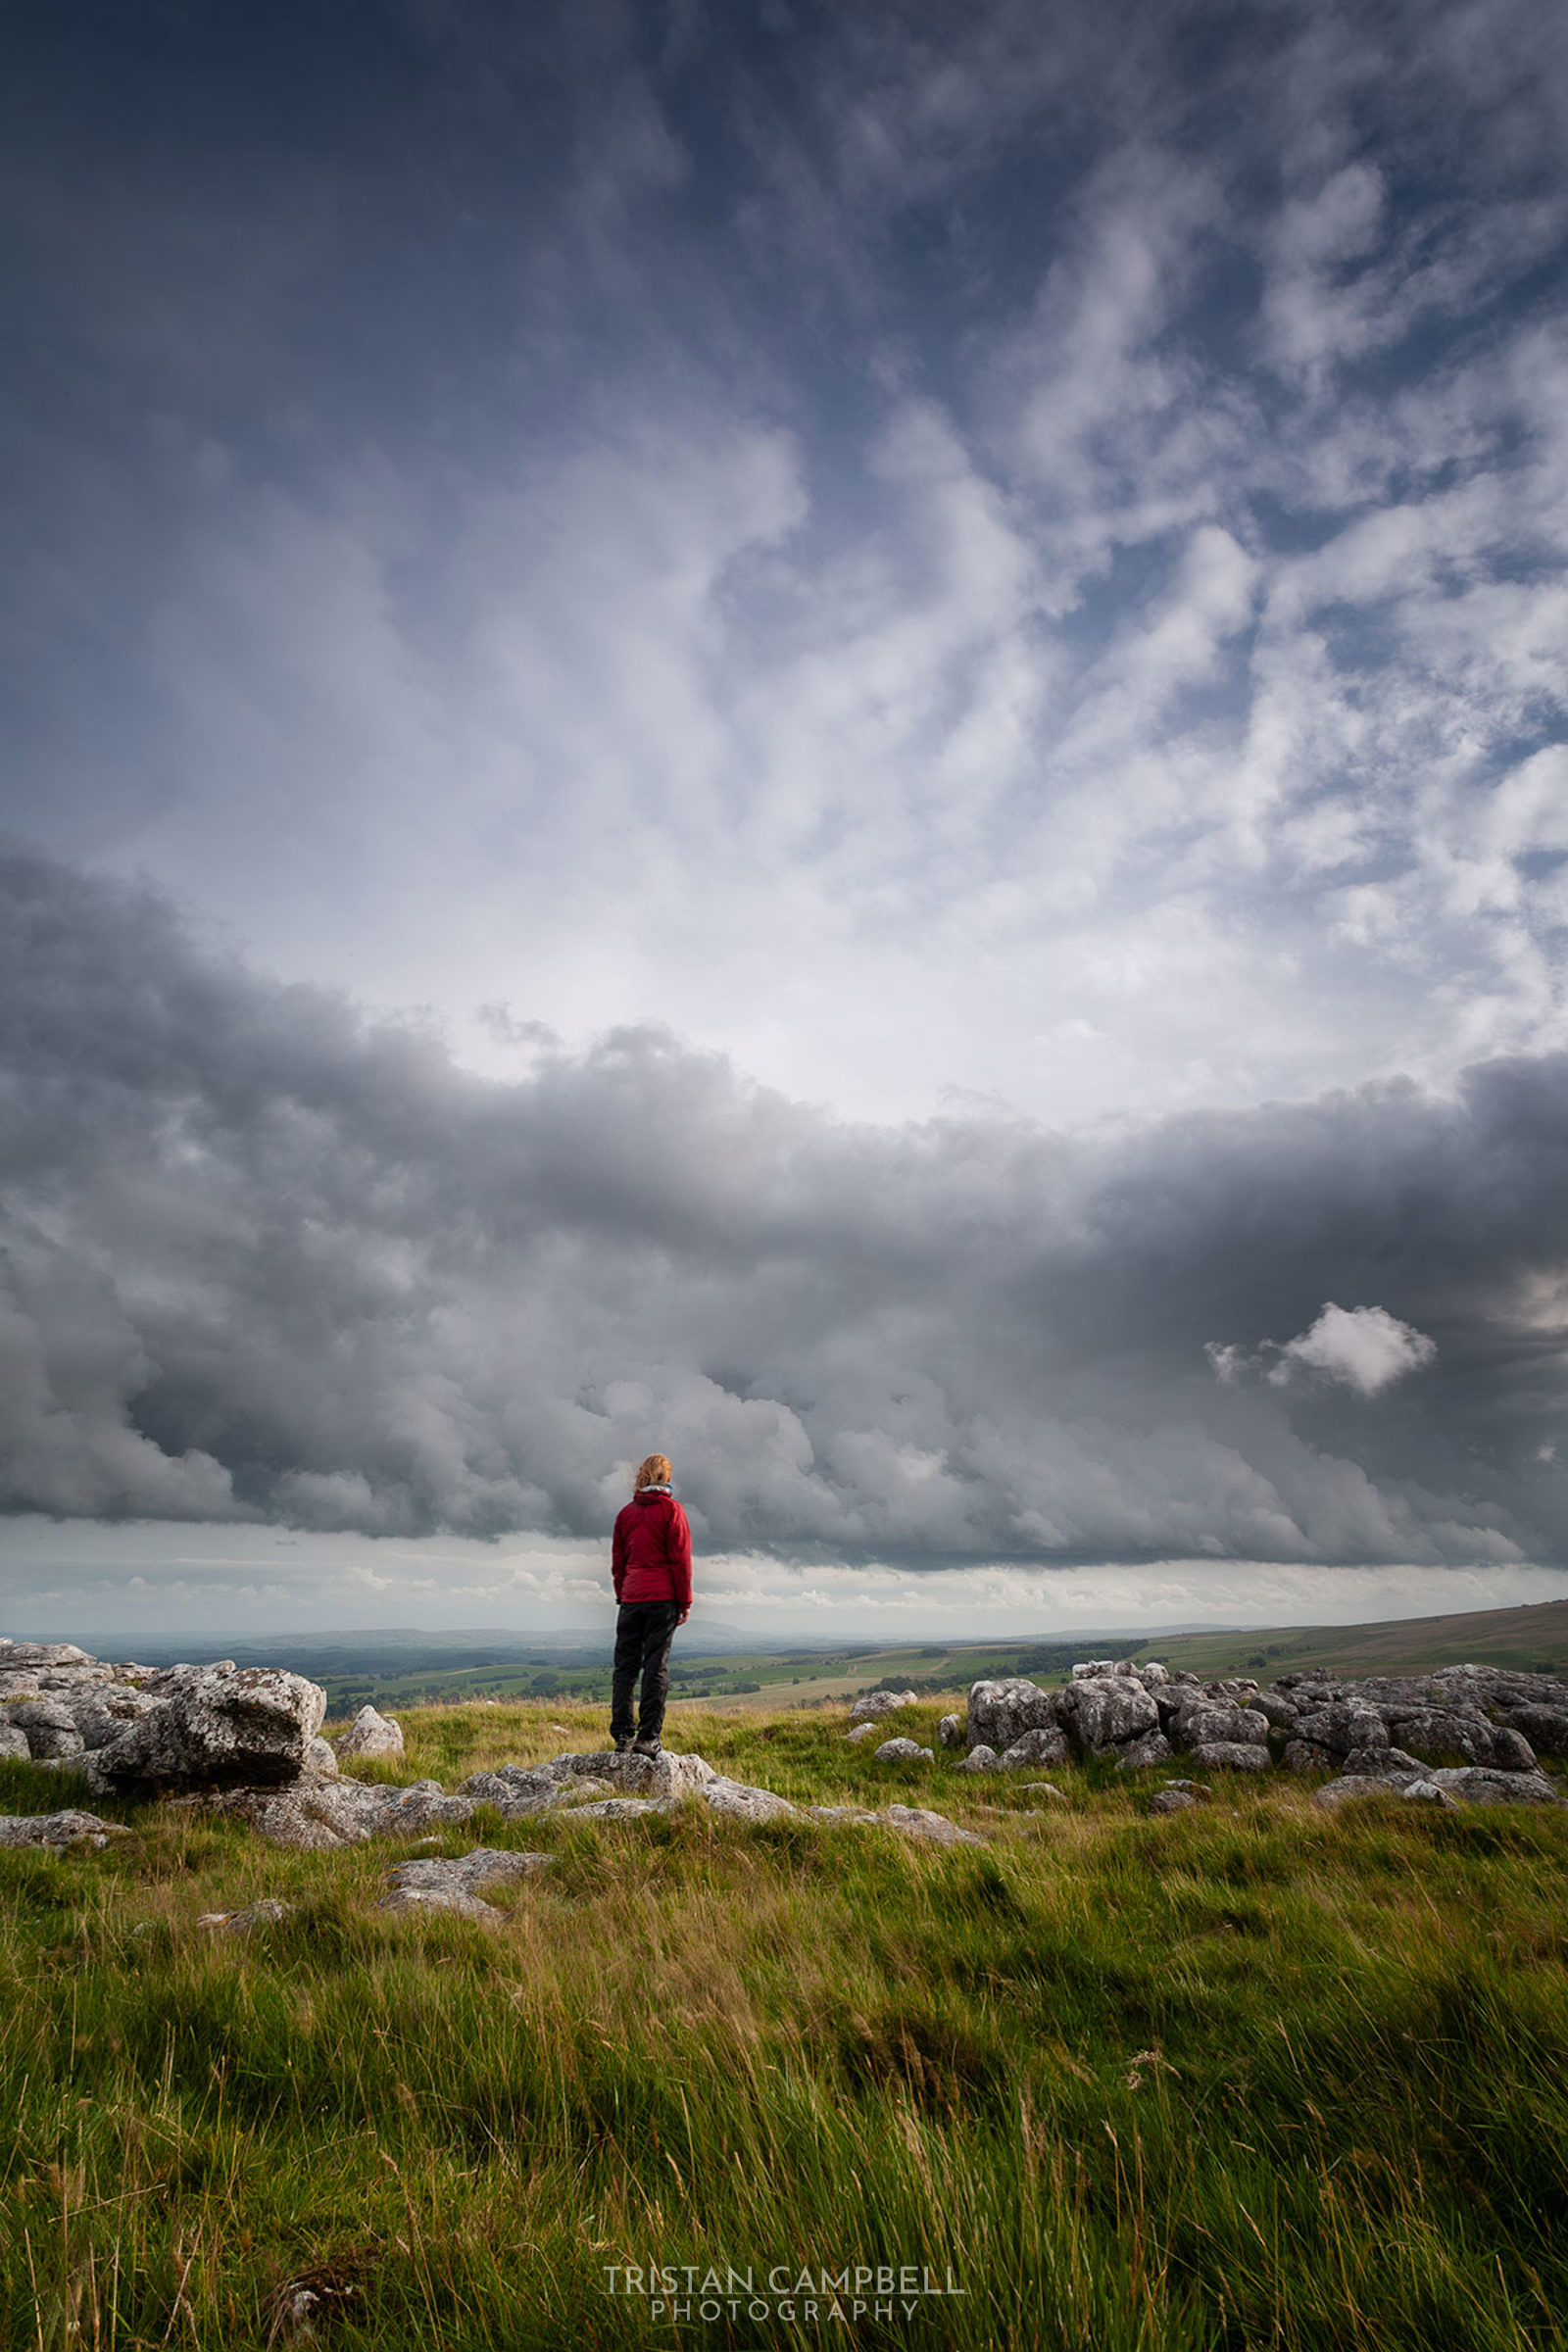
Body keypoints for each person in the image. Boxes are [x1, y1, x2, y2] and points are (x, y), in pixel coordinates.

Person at [609, 1452, 692, 1757]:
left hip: (631, 1598)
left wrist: (623, 1593)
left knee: (625, 1668)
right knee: (656, 1666)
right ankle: (647, 1738)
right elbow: (680, 1560)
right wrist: (685, 1601)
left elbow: (618, 1562)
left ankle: (622, 1736)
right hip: (663, 1599)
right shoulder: (672, 1511)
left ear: (642, 1477)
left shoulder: (625, 1515)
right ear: (667, 1479)